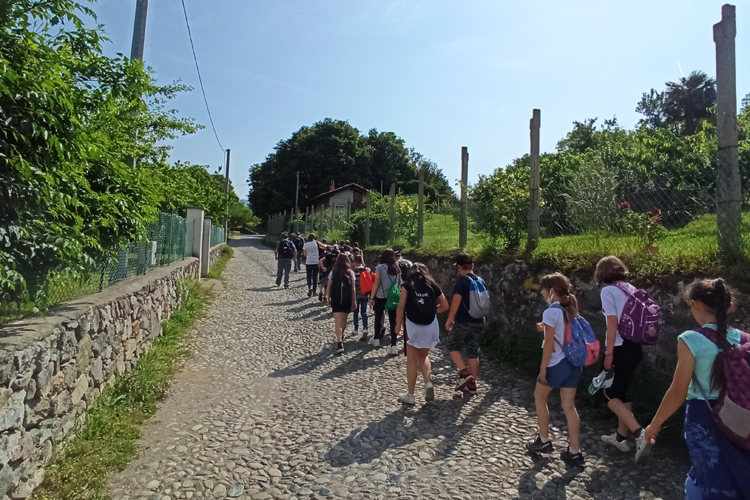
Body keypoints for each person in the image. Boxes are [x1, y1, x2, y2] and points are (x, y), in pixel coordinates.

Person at [644, 278, 749, 499]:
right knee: (737, 473)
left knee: (709, 477)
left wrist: (654, 424)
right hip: (740, 416)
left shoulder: (691, 339)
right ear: (729, 306)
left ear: (696, 305)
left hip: (705, 417)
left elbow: (678, 391)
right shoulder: (744, 339)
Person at [525, 273, 584, 466]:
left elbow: (549, 344)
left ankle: (544, 440)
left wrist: (543, 370)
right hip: (573, 364)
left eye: (543, 289)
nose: (541, 293)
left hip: (556, 364)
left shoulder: (551, 311)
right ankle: (574, 451)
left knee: (540, 396)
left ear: (551, 291)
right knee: (569, 406)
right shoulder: (571, 310)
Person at [595, 256, 649, 462]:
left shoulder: (608, 291)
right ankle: (620, 437)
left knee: (606, 392)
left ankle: (638, 433)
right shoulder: (632, 289)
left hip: (618, 348)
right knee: (622, 392)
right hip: (635, 347)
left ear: (601, 274)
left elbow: (612, 324)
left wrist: (608, 354)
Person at [395, 263, 449, 404]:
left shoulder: (407, 285)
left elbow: (401, 306)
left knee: (412, 360)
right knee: (424, 355)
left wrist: (397, 325)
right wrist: (431, 310)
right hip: (430, 324)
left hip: (413, 325)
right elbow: (445, 305)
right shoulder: (433, 285)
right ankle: (428, 382)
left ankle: (411, 395)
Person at [444, 253, 486, 395]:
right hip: (479, 320)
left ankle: (464, 373)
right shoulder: (481, 280)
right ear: (472, 266)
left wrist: (450, 320)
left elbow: (456, 301)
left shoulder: (462, 281)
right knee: (473, 352)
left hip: (464, 320)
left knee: (451, 344)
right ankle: (472, 385)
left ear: (459, 267)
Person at [369, 249, 401, 355]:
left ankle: (377, 338)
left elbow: (376, 283)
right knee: (393, 321)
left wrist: (372, 297)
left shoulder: (380, 268)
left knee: (378, 317)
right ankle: (393, 345)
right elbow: (398, 284)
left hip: (381, 295)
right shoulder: (397, 268)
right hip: (393, 297)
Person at [326, 254, 357, 355]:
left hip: (336, 298)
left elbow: (329, 286)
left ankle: (339, 341)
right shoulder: (350, 273)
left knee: (338, 321)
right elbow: (353, 288)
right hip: (347, 299)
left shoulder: (333, 272)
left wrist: (328, 298)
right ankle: (340, 338)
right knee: (344, 320)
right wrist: (354, 300)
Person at [351, 256, 370, 338]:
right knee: (364, 312)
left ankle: (356, 329)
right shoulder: (367, 270)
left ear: (355, 262)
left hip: (356, 294)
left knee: (355, 312)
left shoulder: (353, 271)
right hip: (365, 294)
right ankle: (365, 328)